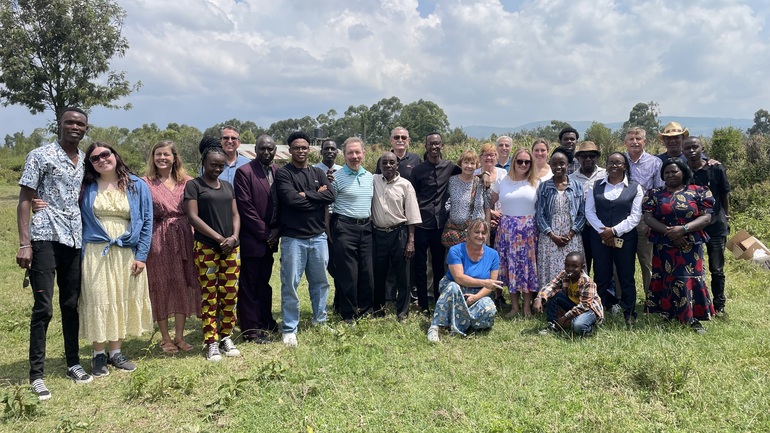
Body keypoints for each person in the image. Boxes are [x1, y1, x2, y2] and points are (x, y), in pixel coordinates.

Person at [16, 107, 92, 400]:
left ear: (86, 129)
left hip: (74, 239)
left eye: (80, 124)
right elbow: (25, 199)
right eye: (69, 122)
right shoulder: (40, 155)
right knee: (44, 308)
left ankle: (73, 363)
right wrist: (25, 244)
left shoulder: (85, 159)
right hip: (44, 237)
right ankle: (37, 375)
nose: (74, 127)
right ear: (59, 125)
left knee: (71, 304)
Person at [79, 143, 153, 376]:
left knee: (122, 297)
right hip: (95, 251)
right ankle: (98, 354)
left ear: (115, 155)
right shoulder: (85, 185)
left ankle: (116, 352)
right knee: (98, 298)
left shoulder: (137, 185)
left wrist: (141, 256)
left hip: (126, 251)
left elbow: (147, 221)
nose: (102, 160)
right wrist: (38, 202)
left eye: (105, 154)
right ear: (90, 164)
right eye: (95, 158)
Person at [275, 131, 336, 347]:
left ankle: (320, 321)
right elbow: (291, 201)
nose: (300, 151)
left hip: (318, 237)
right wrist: (316, 196)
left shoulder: (318, 172)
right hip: (293, 238)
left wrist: (306, 194)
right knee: (290, 284)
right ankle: (290, 328)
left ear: (309, 150)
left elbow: (330, 196)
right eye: (296, 148)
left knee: (321, 283)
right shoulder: (284, 174)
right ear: (290, 150)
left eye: (304, 148)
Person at [643, 158, 715, 333]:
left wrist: (683, 229)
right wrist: (671, 233)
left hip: (690, 244)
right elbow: (648, 218)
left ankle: (693, 319)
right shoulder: (654, 194)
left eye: (674, 171)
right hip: (664, 244)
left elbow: (706, 217)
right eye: (666, 172)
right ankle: (667, 315)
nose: (670, 175)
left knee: (688, 278)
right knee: (666, 277)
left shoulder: (699, 191)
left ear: (684, 172)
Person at [185, 145, 241, 361]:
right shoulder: (194, 186)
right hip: (207, 247)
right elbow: (193, 217)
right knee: (210, 295)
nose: (217, 168)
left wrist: (234, 237)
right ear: (204, 163)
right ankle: (211, 341)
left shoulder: (227, 186)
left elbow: (235, 215)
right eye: (213, 164)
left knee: (230, 293)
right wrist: (219, 239)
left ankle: (226, 336)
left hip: (231, 248)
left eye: (221, 165)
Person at [142, 140, 198, 354]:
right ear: (153, 157)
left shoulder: (187, 182)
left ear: (174, 157)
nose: (162, 158)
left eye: (166, 154)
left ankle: (180, 336)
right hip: (158, 237)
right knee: (161, 285)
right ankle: (165, 338)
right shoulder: (145, 183)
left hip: (185, 236)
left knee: (183, 283)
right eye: (158, 154)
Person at [585, 152, 643, 326]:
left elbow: (635, 216)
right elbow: (589, 211)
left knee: (626, 275)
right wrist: (604, 231)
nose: (614, 166)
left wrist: (615, 231)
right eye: (611, 162)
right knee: (601, 275)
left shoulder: (635, 187)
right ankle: (598, 311)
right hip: (599, 237)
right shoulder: (595, 186)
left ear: (625, 166)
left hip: (626, 239)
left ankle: (629, 311)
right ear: (606, 165)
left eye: (618, 163)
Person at [234, 134, 280, 343]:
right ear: (255, 149)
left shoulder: (278, 171)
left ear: (275, 150)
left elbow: (282, 204)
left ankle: (265, 321)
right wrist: (266, 233)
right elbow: (246, 208)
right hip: (253, 239)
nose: (266, 152)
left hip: (271, 240)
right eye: (262, 148)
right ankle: (251, 329)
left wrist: (277, 231)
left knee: (264, 283)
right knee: (249, 285)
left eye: (270, 149)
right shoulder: (244, 172)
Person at [426, 219, 502, 342]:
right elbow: (459, 278)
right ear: (469, 232)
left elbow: (491, 285)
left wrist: (475, 297)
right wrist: (483, 282)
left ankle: (456, 324)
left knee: (490, 309)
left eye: (484, 233)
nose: (480, 236)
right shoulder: (455, 250)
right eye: (476, 232)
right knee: (453, 287)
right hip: (456, 290)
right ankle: (435, 326)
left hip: (479, 293)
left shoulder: (493, 254)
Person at [411, 132, 461, 313]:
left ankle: (440, 302)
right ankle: (423, 304)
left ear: (442, 146)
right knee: (420, 266)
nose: (434, 146)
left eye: (437, 143)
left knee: (440, 265)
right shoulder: (417, 170)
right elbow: (412, 195)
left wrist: (484, 174)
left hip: (440, 224)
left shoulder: (449, 167)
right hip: (421, 223)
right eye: (431, 144)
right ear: (426, 146)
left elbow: (469, 172)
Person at [489, 148, 540, 318]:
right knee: (511, 266)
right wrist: (492, 214)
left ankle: (526, 308)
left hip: (528, 231)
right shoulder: (503, 180)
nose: (523, 164)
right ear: (513, 162)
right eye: (520, 161)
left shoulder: (536, 182)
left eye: (527, 162)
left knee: (526, 268)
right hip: (507, 230)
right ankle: (514, 307)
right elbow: (488, 201)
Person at [684, 137, 731, 317]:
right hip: (692, 225)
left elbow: (724, 194)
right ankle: (696, 303)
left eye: (695, 147)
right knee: (692, 267)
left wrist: (726, 216)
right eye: (687, 148)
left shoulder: (716, 168)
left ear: (702, 148)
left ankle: (719, 305)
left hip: (716, 224)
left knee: (717, 268)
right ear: (683, 151)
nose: (691, 151)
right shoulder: (683, 170)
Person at [371, 152, 422, 319]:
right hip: (378, 234)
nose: (388, 165)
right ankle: (378, 309)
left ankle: (402, 312)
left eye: (391, 162)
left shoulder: (405, 185)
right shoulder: (373, 180)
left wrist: (411, 241)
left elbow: (412, 214)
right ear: (380, 166)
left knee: (403, 275)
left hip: (399, 234)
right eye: (384, 162)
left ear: (397, 165)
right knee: (379, 273)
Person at [330, 137, 375, 322]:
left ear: (364, 153)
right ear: (344, 155)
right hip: (344, 227)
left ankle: (365, 311)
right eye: (350, 153)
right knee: (348, 273)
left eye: (357, 152)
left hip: (366, 228)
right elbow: (329, 207)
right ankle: (348, 313)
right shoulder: (336, 177)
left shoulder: (370, 177)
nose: (354, 156)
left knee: (367, 272)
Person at [536, 147, 585, 289]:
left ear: (568, 164)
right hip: (550, 236)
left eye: (562, 163)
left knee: (572, 268)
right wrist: (552, 235)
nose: (558, 167)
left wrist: (571, 234)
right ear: (550, 165)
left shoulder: (577, 186)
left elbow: (582, 214)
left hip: (571, 236)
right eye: (554, 164)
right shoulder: (544, 187)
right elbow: (540, 214)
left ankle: (572, 297)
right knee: (550, 269)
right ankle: (550, 298)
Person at [625, 127, 663, 308]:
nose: (635, 142)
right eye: (631, 139)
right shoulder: (619, 160)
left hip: (644, 218)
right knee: (622, 262)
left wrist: (652, 221)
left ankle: (651, 299)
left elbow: (659, 193)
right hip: (623, 218)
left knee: (647, 261)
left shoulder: (654, 162)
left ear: (644, 141)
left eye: (638, 138)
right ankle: (622, 300)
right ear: (625, 142)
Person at [533, 252, 603, 336]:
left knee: (578, 326)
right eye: (567, 265)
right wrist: (539, 298)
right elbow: (552, 286)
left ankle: (590, 328)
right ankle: (552, 324)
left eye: (574, 266)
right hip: (574, 305)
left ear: (582, 267)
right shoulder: (564, 274)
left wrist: (565, 317)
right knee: (554, 294)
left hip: (589, 310)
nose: (570, 269)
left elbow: (585, 306)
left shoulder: (587, 282)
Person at [570, 141, 606, 273]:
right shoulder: (571, 179)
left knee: (602, 264)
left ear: (597, 157)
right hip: (581, 228)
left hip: (601, 225)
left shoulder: (606, 174)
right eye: (584, 156)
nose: (588, 159)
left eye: (592, 156)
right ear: (578, 158)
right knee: (583, 263)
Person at [444, 150, 490, 247]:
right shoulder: (451, 181)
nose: (469, 166)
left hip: (477, 235)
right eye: (466, 162)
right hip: (455, 235)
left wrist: (488, 233)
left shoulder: (482, 183)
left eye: (472, 163)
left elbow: (487, 208)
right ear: (460, 163)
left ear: (476, 166)